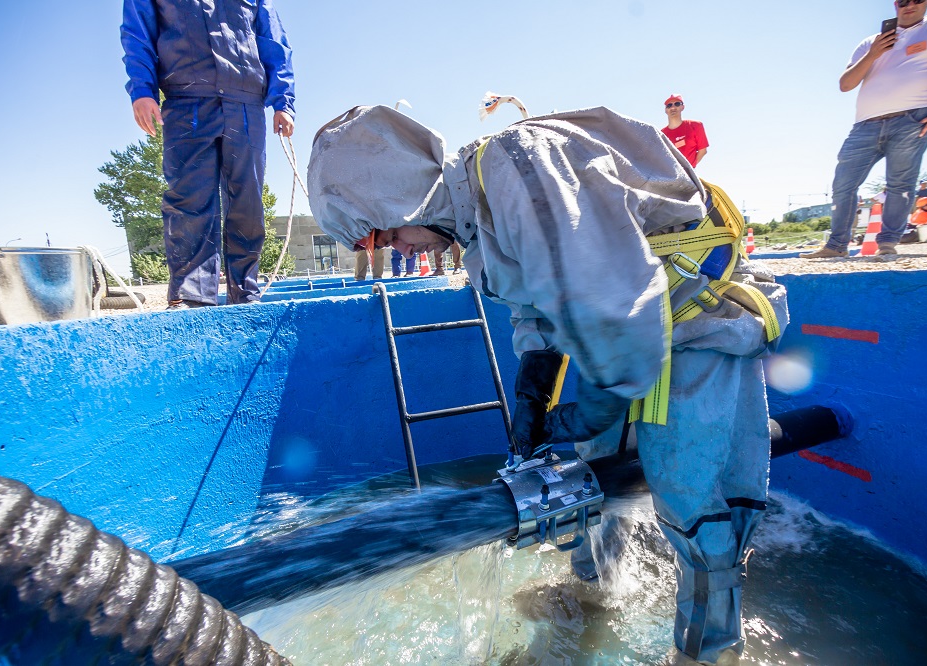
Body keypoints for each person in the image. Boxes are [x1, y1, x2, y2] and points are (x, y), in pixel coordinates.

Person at [307, 105, 788, 665]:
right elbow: (537, 310)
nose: (396, 251)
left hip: (698, 327)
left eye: (380, 235)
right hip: (630, 338)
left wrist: (600, 404)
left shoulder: (522, 166)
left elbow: (608, 298)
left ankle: (708, 651)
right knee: (592, 466)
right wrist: (533, 392)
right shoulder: (478, 224)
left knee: (690, 490)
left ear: (401, 195)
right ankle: (595, 590)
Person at [121, 0, 296, 309]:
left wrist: (283, 101)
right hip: (185, 100)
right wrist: (142, 90)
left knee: (248, 201)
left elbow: (272, 37)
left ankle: (245, 292)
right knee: (190, 199)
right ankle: (191, 295)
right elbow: (137, 33)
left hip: (245, 104)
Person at [803, 0, 927, 259]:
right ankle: (836, 245)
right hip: (865, 124)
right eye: (903, 0)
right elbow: (846, 84)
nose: (909, 5)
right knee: (843, 184)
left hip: (912, 119)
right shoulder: (871, 43)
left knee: (900, 185)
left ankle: (887, 244)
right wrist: (873, 53)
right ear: (895, 3)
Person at [660, 94, 709, 168]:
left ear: (682, 107)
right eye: (669, 105)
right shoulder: (661, 134)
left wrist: (689, 169)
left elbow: (703, 151)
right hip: (669, 176)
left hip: (688, 176)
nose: (673, 107)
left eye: (677, 104)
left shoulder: (695, 126)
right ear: (666, 110)